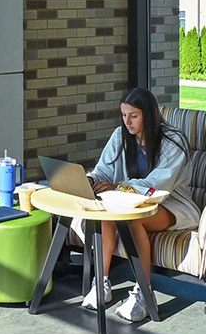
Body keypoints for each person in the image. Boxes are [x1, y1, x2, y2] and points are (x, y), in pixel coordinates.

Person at [78, 87, 197, 321]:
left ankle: (144, 293)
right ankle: (101, 284)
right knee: (105, 214)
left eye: (133, 116)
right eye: (123, 115)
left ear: (148, 114)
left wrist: (118, 187)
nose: (127, 122)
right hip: (127, 201)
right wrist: (91, 179)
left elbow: (158, 183)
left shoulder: (173, 140)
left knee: (133, 220)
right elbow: (104, 169)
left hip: (170, 205)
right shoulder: (120, 135)